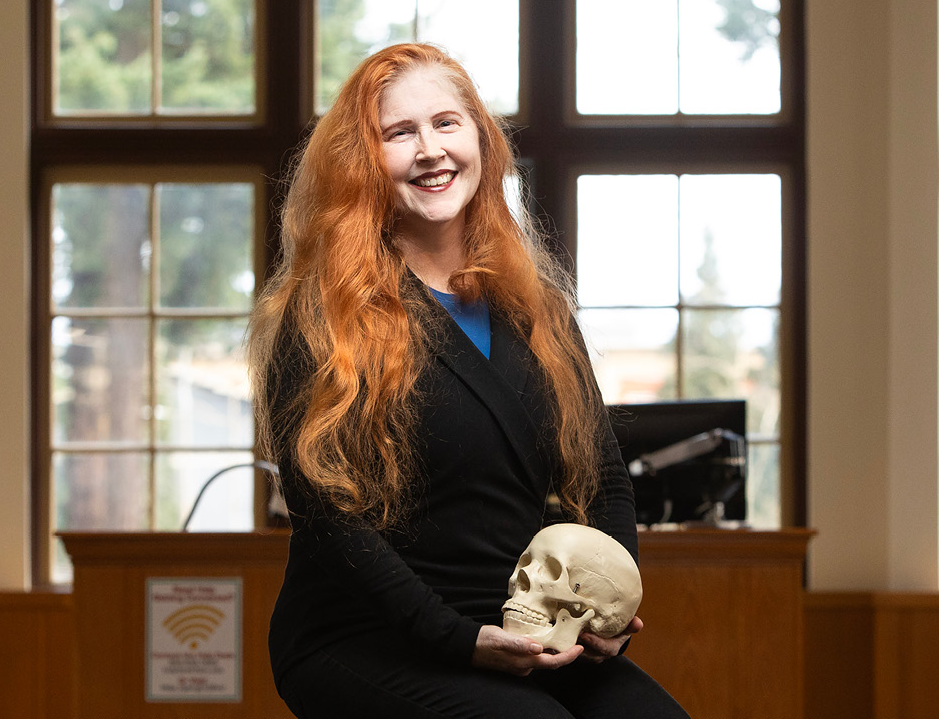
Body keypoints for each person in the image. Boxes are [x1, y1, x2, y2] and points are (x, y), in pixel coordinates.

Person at [248, 43, 690, 719]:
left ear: (481, 140)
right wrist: (456, 639)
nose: (430, 150)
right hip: (364, 634)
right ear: (363, 163)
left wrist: (603, 609)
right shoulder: (319, 316)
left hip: (520, 624)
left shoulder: (534, 307)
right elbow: (327, 517)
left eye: (446, 123)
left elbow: (601, 477)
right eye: (400, 133)